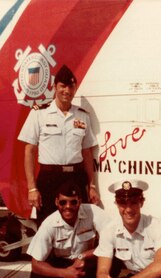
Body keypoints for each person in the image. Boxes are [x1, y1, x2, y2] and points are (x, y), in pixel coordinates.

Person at [18, 64, 99, 224]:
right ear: (55, 87)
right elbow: (29, 151)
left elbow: (87, 153)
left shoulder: (82, 116)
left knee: (78, 224)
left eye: (71, 87)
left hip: (76, 176)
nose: (67, 91)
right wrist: (32, 188)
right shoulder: (39, 113)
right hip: (49, 179)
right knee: (48, 225)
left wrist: (92, 185)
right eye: (62, 86)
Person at [23, 179, 109, 278]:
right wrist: (64, 273)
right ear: (56, 202)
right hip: (61, 264)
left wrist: (84, 255)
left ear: (80, 201)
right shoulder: (49, 224)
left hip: (87, 261)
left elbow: (112, 240)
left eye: (73, 202)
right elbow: (36, 264)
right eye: (63, 202)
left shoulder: (93, 212)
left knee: (113, 259)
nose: (68, 207)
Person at [94, 179, 161, 278]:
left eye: (133, 202)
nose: (128, 209)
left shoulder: (158, 226)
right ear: (116, 204)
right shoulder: (109, 229)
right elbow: (102, 272)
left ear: (141, 202)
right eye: (123, 203)